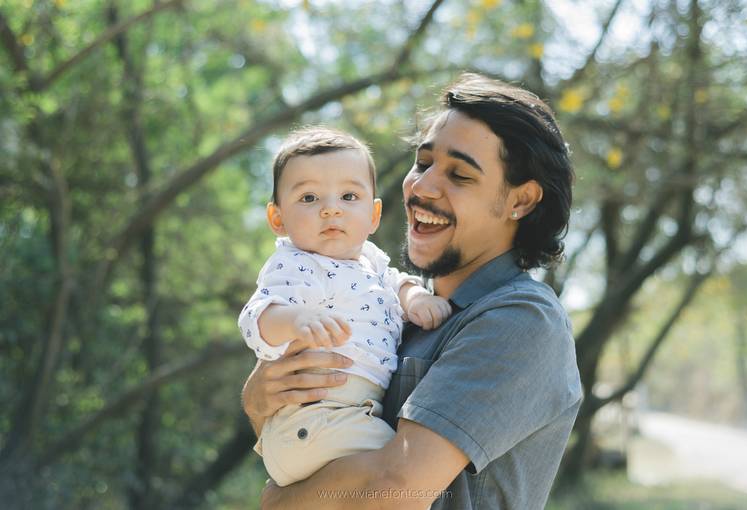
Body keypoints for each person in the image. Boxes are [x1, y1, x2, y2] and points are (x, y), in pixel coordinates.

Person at [242, 73, 583, 509]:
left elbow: (394, 490)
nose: (421, 187)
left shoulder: (522, 320)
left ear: (520, 201)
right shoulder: (392, 304)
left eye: (459, 174)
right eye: (422, 164)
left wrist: (277, 502)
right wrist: (257, 403)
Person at [237, 127, 452, 486]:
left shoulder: (371, 261)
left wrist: (416, 298)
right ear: (278, 219)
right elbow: (255, 317)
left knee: (398, 472)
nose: (331, 209)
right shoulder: (297, 265)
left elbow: (396, 282)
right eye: (309, 198)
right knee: (402, 472)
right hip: (316, 416)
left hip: (350, 415)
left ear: (373, 214)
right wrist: (295, 319)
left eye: (349, 196)